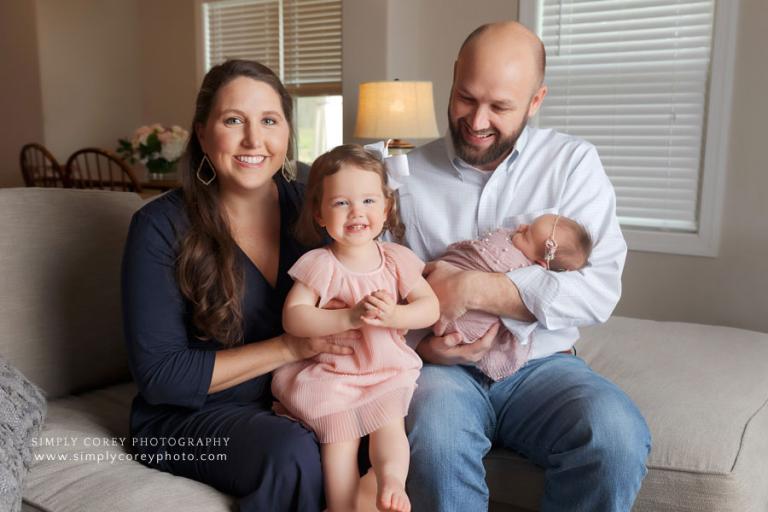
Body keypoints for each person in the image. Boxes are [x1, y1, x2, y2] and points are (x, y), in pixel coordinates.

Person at [394, 22, 652, 511]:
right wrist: (426, 346)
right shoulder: (404, 174)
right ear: (452, 77)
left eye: (501, 107)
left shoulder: (573, 164)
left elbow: (597, 291)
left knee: (616, 437)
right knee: (438, 440)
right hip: (439, 369)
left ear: (536, 101)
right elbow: (379, 285)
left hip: (543, 365)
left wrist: (471, 288)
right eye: (466, 98)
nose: (477, 120)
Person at [121, 59, 354, 512]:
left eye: (269, 120)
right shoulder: (158, 226)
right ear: (204, 134)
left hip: (295, 395)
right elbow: (160, 378)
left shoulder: (315, 209)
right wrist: (291, 348)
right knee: (292, 451)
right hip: (184, 421)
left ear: (287, 132)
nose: (253, 140)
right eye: (233, 121)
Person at [271, 144, 440, 512]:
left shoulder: (396, 260)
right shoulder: (320, 263)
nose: (356, 213)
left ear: (386, 207)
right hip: (337, 373)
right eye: (341, 203)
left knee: (390, 426)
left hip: (384, 368)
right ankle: (341, 505)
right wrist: (346, 317)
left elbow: (430, 308)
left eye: (367, 201)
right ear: (318, 213)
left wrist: (396, 315)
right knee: (340, 442)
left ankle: (391, 482)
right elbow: (294, 316)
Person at [434, 213, 592, 381]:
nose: (520, 227)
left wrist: (472, 287)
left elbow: (591, 299)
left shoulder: (526, 271)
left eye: (526, 234)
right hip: (445, 360)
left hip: (545, 359)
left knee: (604, 406)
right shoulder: (511, 240)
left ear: (540, 263)